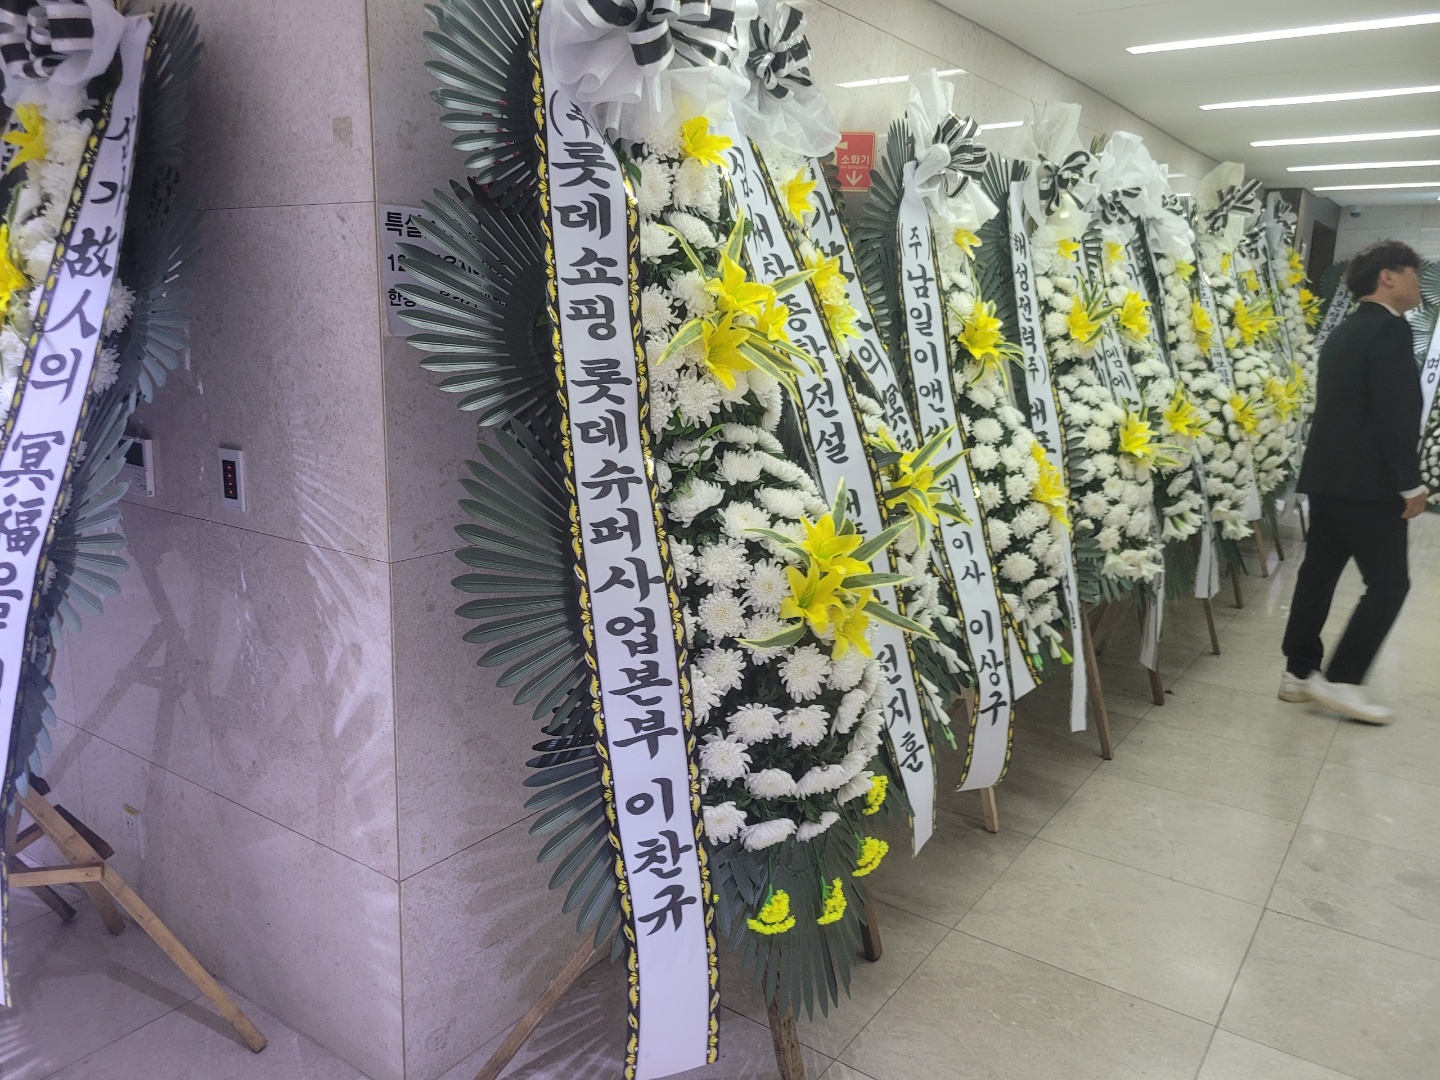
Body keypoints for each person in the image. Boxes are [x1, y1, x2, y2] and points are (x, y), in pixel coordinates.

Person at [1279, 240, 1425, 724]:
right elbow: (1393, 414)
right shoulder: (1390, 330)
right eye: (1413, 272)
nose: (1419, 283)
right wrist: (1410, 484)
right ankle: (1342, 681)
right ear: (1388, 276)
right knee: (1389, 584)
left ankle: (1298, 672)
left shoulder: (1344, 331)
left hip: (1329, 478)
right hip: (1369, 485)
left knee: (1318, 575)